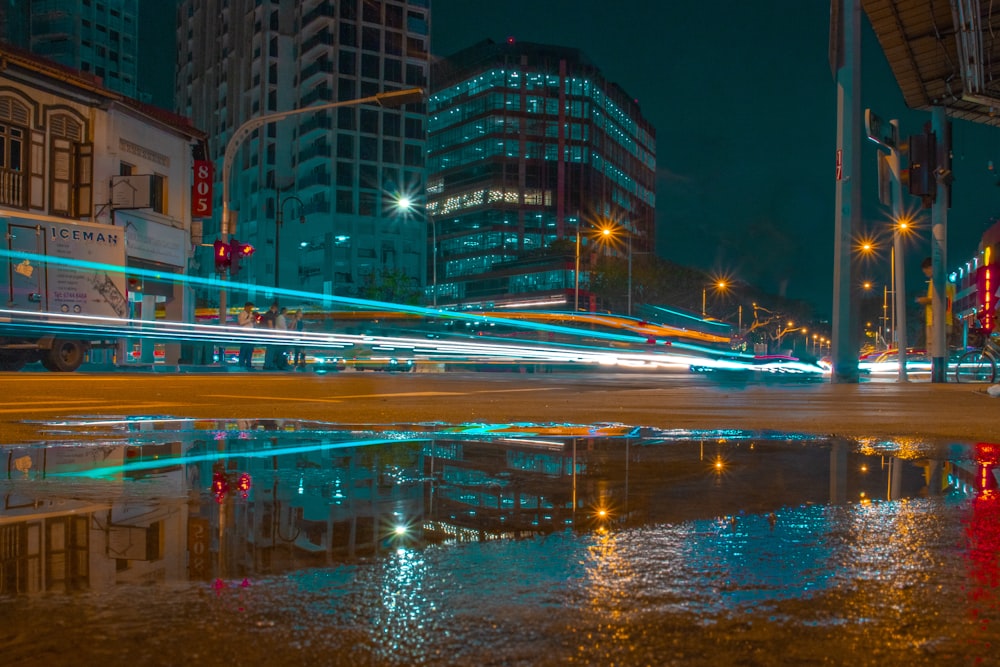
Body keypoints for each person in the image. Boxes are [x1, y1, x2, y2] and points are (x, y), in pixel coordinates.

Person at [915, 256, 955, 354]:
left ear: (931, 267)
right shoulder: (947, 280)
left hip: (935, 321)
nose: (926, 274)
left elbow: (938, 300)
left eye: (926, 271)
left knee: (934, 349)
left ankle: (937, 368)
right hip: (946, 320)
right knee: (942, 349)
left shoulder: (937, 281)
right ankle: (940, 367)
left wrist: (924, 300)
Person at [237, 301, 256, 370]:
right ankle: (241, 364)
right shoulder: (242, 314)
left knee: (250, 350)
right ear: (246, 307)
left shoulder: (251, 314)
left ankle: (248, 364)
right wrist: (249, 320)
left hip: (251, 334)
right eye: (250, 308)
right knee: (244, 349)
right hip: (244, 333)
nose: (250, 309)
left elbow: (252, 324)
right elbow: (241, 323)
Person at [261, 302, 279, 369]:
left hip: (267, 334)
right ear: (275, 307)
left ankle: (267, 364)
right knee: (271, 350)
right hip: (270, 335)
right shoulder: (270, 314)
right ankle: (268, 365)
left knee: (270, 350)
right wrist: (273, 334)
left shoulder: (268, 314)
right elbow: (270, 324)